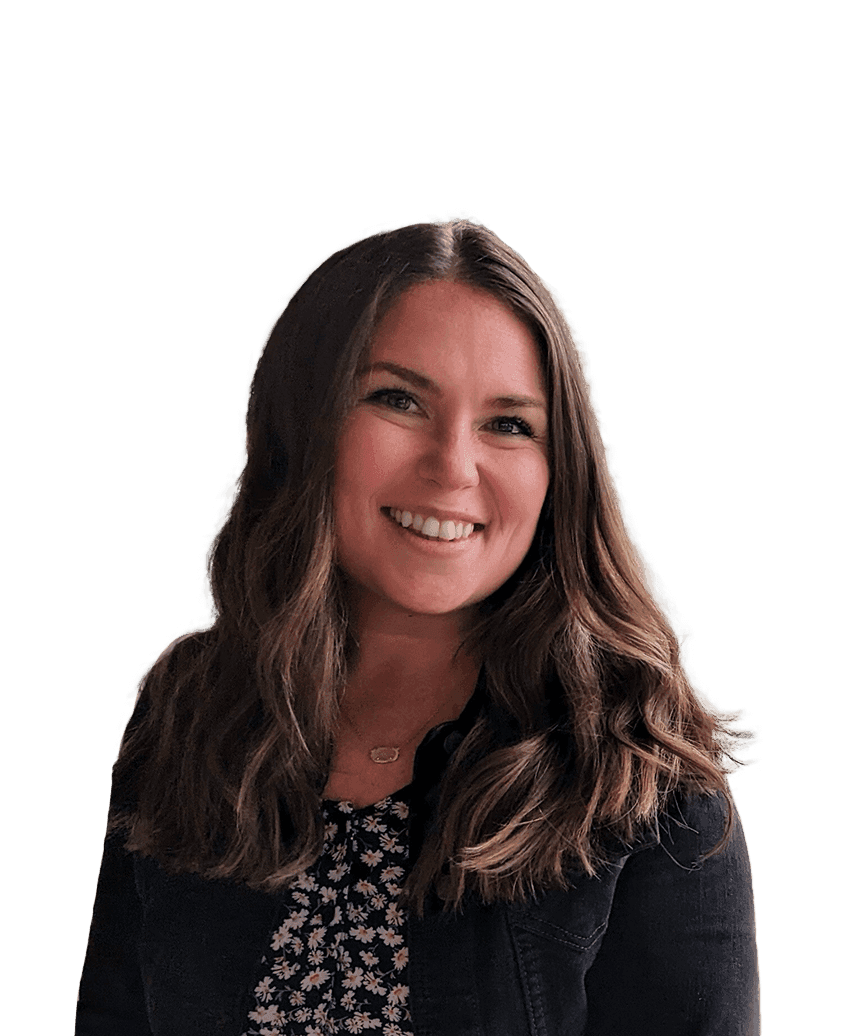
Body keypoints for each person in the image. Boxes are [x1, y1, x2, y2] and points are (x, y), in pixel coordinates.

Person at [75, 217, 761, 1036]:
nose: (452, 465)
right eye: (398, 399)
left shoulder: (646, 780)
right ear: (305, 425)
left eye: (509, 424)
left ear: (558, 471)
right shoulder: (192, 709)